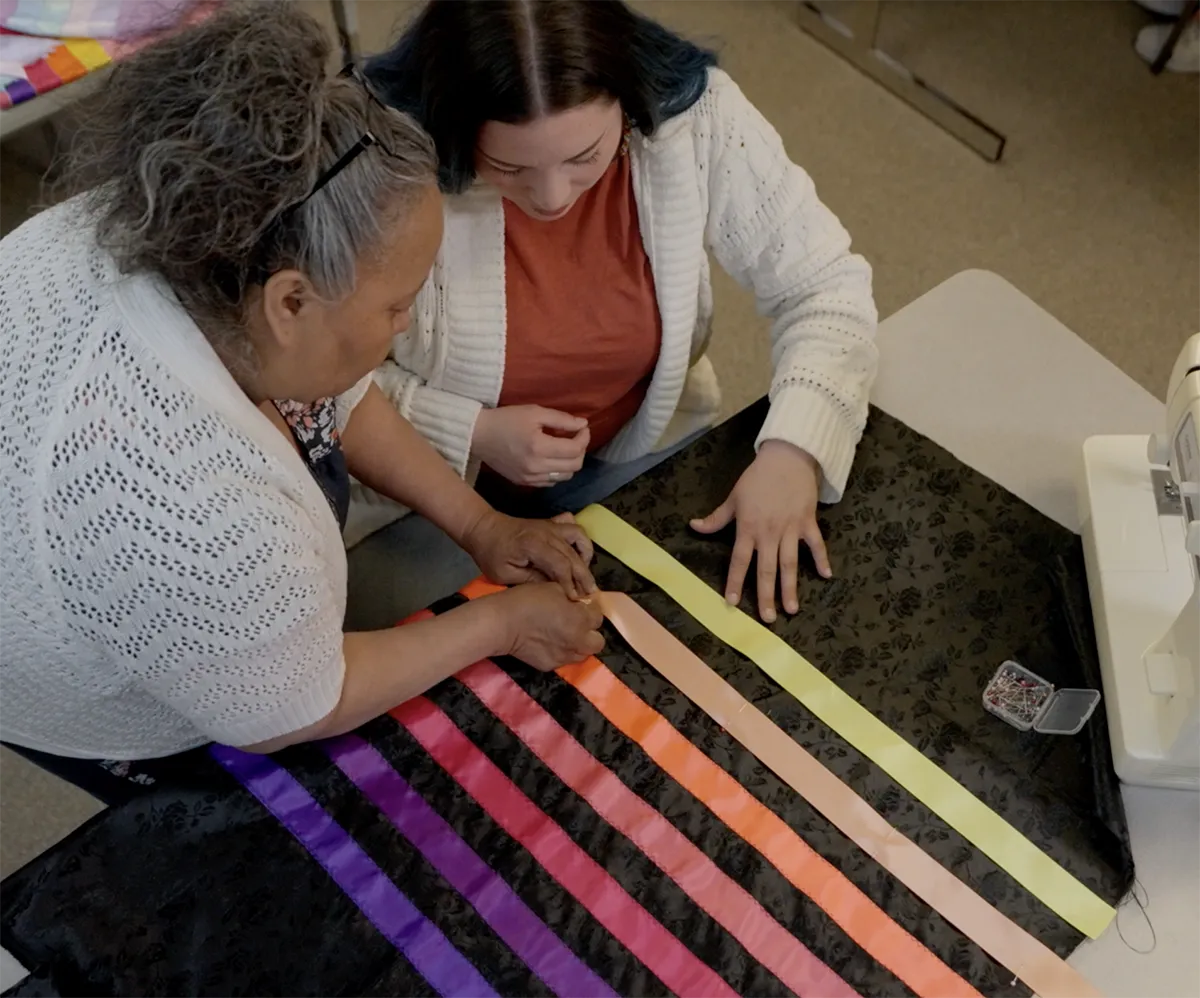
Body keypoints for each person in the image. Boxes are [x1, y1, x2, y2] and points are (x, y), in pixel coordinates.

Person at [0, 0, 602, 805]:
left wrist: (478, 522)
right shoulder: (191, 510)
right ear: (291, 304)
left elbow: (331, 393)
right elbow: (293, 705)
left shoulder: (213, 238)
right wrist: (501, 624)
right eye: (397, 307)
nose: (409, 325)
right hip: (81, 673)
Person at [357, 0, 879, 626]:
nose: (551, 198)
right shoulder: (375, 156)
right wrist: (470, 431)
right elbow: (306, 389)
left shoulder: (696, 119)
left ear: (629, 105)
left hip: (628, 459)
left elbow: (824, 286)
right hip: (416, 499)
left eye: (585, 158)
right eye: (507, 168)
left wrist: (794, 453)